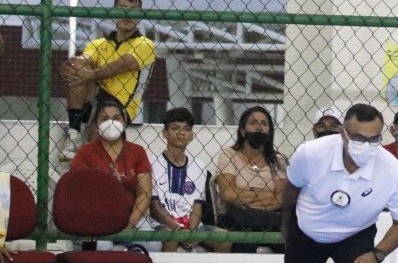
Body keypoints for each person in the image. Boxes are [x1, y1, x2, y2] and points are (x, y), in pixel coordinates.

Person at [282, 103, 398, 263]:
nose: (366, 145)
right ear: (343, 134)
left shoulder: (392, 170)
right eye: (359, 138)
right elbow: (291, 189)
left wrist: (376, 255)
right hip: (307, 231)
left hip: (355, 234)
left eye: (374, 139)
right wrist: (287, 223)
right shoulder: (311, 153)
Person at [61, 0, 155, 154]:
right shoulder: (98, 43)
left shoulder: (145, 44)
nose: (127, 15)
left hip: (121, 103)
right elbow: (84, 60)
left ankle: (91, 159)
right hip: (95, 96)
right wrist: (70, 66)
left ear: (140, 16)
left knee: (100, 128)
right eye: (122, 9)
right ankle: (73, 134)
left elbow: (123, 63)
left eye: (133, 10)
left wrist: (90, 74)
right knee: (77, 68)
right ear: (113, 12)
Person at [147, 106, 228, 253]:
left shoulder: (199, 166)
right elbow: (155, 207)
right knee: (170, 236)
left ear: (192, 135)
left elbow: (197, 206)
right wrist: (178, 230)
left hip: (193, 226)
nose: (181, 133)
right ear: (165, 133)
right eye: (175, 128)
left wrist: (190, 232)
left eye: (186, 129)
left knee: (224, 237)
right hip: (162, 224)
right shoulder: (151, 163)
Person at [70, 99, 153, 236]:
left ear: (124, 123)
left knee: (153, 245)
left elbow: (145, 193)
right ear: (96, 124)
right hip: (95, 218)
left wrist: (130, 222)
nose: (111, 123)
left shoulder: (137, 151)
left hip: (131, 216)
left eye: (116, 118)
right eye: (104, 118)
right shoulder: (85, 152)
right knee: (102, 247)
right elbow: (77, 191)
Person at [216, 106, 289, 242]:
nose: (259, 127)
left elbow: (282, 199)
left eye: (264, 124)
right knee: (237, 220)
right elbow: (228, 194)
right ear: (243, 131)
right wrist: (267, 196)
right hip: (237, 218)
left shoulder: (278, 160)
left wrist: (246, 200)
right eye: (253, 123)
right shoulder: (229, 154)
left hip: (270, 218)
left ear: (269, 131)